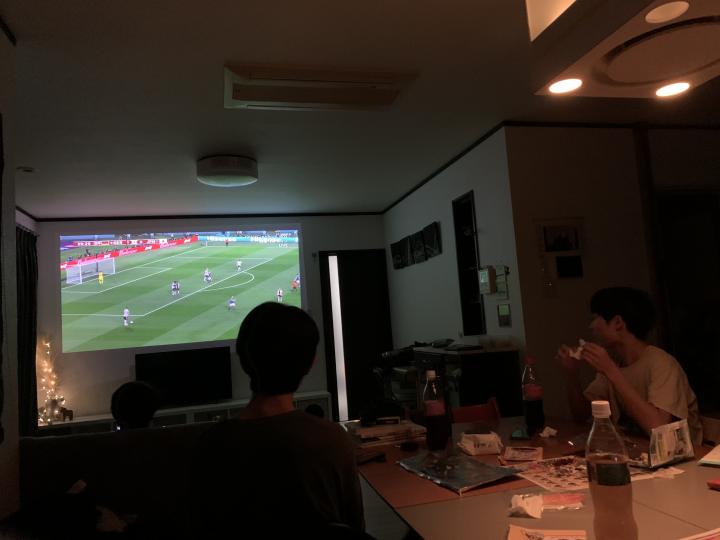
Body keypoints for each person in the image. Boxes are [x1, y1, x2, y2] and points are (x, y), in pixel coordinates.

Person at [189, 303, 364, 537]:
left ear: (243, 359)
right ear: (311, 363)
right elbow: (354, 526)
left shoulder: (210, 444)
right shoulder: (332, 440)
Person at [558, 287, 702, 447]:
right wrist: (572, 374)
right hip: (635, 453)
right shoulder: (615, 363)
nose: (591, 326)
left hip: (682, 456)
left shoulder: (662, 364)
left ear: (618, 323)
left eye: (595, 318)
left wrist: (611, 371)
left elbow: (660, 429)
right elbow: (581, 415)